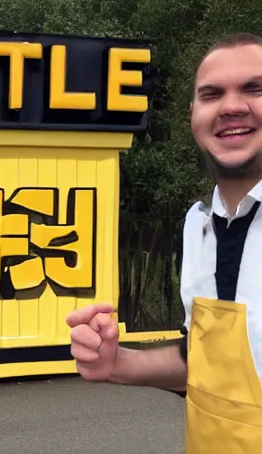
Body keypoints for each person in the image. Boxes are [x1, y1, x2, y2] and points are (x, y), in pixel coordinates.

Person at [67, 33, 262, 453]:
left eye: (255, 88)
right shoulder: (197, 226)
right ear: (194, 114)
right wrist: (117, 363)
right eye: (212, 94)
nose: (231, 107)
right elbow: (205, 363)